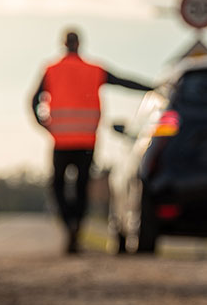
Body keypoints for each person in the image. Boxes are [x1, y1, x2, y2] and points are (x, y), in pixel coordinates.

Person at [31, 29, 153, 254]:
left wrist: (46, 126)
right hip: (86, 141)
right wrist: (153, 88)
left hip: (61, 141)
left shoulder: (51, 70)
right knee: (81, 187)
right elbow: (124, 81)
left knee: (57, 185)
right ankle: (76, 225)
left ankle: (69, 223)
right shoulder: (93, 70)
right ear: (79, 44)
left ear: (63, 44)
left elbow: (32, 101)